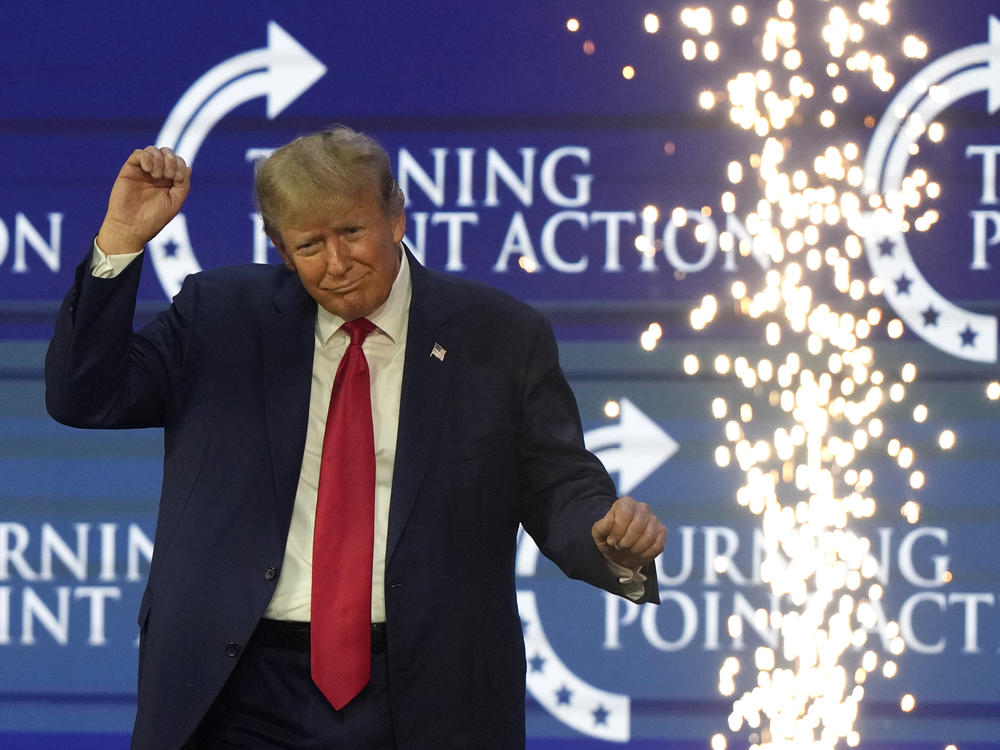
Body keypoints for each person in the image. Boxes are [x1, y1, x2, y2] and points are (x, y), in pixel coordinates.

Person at [45, 126, 667, 750]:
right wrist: (121, 239)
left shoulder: (498, 336)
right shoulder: (221, 316)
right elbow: (86, 396)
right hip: (235, 685)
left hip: (428, 690)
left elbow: (557, 484)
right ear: (281, 251)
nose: (336, 263)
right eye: (310, 244)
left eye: (351, 232)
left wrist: (607, 537)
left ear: (396, 217)